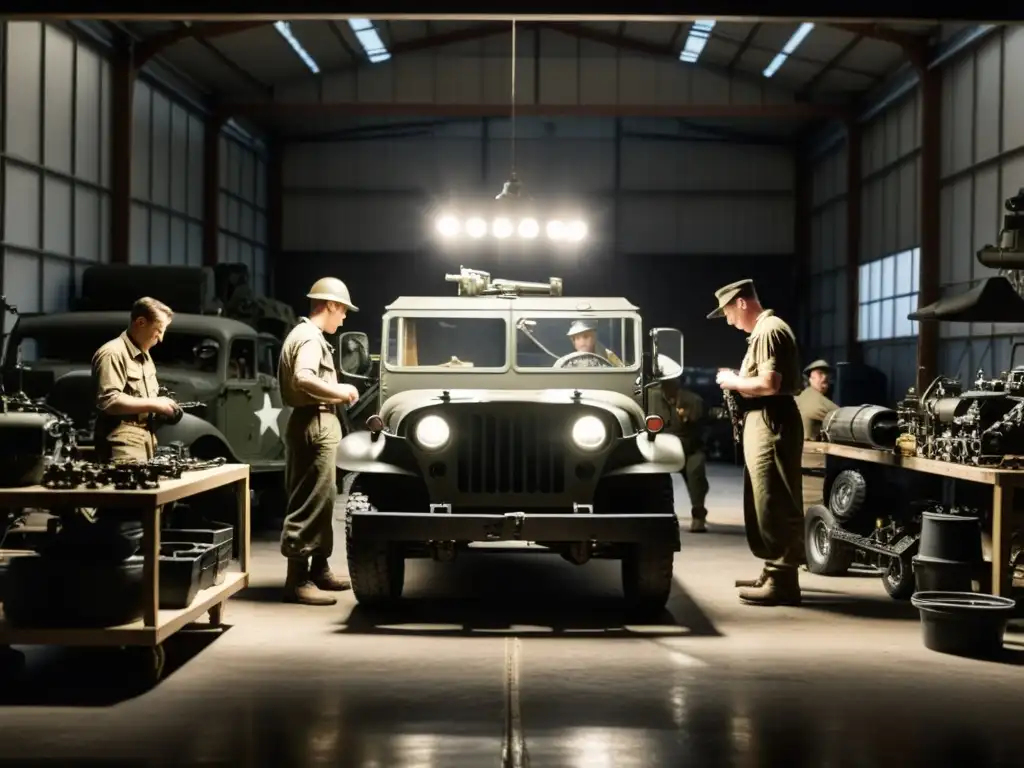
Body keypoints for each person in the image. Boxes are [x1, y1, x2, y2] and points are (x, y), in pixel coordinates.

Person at [708, 279, 805, 606]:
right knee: (764, 497)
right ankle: (773, 569)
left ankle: (783, 580)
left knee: (774, 497)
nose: (728, 319)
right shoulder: (765, 331)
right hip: (764, 418)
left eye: (727, 312)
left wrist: (734, 381)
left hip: (770, 417)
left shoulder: (768, 330)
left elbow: (769, 383)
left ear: (741, 302)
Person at [279, 277, 361, 606]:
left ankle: (318, 568)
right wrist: (341, 391)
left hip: (318, 419)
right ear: (328, 305)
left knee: (323, 497)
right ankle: (297, 578)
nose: (344, 318)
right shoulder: (310, 338)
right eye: (342, 310)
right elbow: (303, 378)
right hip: (315, 419)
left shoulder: (307, 336)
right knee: (309, 500)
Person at [92, 296, 179, 462]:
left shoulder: (144, 356)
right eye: (158, 331)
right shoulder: (113, 353)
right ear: (141, 322)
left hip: (145, 439)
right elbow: (109, 401)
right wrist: (156, 404)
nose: (160, 339)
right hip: (122, 440)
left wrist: (163, 408)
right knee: (130, 486)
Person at [650, 378, 711, 532]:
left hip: (689, 447)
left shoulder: (693, 400)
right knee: (651, 477)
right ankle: (654, 515)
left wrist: (687, 416)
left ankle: (698, 515)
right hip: (661, 446)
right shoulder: (651, 399)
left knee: (695, 473)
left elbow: (702, 424)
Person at [796, 359, 838, 441]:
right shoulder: (815, 398)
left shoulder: (799, 397)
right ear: (810, 379)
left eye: (827, 374)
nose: (825, 376)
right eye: (820, 373)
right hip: (810, 450)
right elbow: (843, 417)